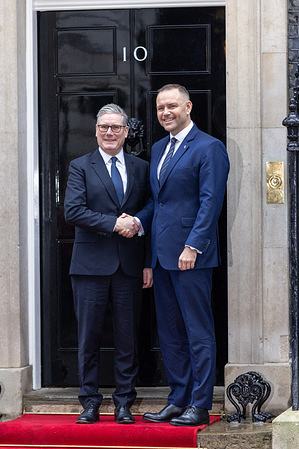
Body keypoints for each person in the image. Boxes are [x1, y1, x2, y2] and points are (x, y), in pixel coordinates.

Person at [122, 84, 229, 426]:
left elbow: (211, 202)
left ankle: (199, 403)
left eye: (171, 106)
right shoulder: (157, 148)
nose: (165, 112)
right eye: (160, 108)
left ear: (188, 107)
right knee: (169, 332)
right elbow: (159, 203)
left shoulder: (209, 148)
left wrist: (193, 246)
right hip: (162, 257)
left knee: (198, 330)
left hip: (191, 256)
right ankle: (177, 398)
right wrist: (139, 224)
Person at [64, 104, 153, 425]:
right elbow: (72, 211)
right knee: (88, 338)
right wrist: (114, 224)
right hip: (89, 267)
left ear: (126, 132)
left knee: (127, 338)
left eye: (116, 128)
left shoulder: (141, 168)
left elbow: (150, 208)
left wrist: (147, 260)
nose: (110, 133)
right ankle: (88, 401)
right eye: (104, 127)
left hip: (130, 267)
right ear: (96, 131)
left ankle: (124, 402)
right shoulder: (80, 166)